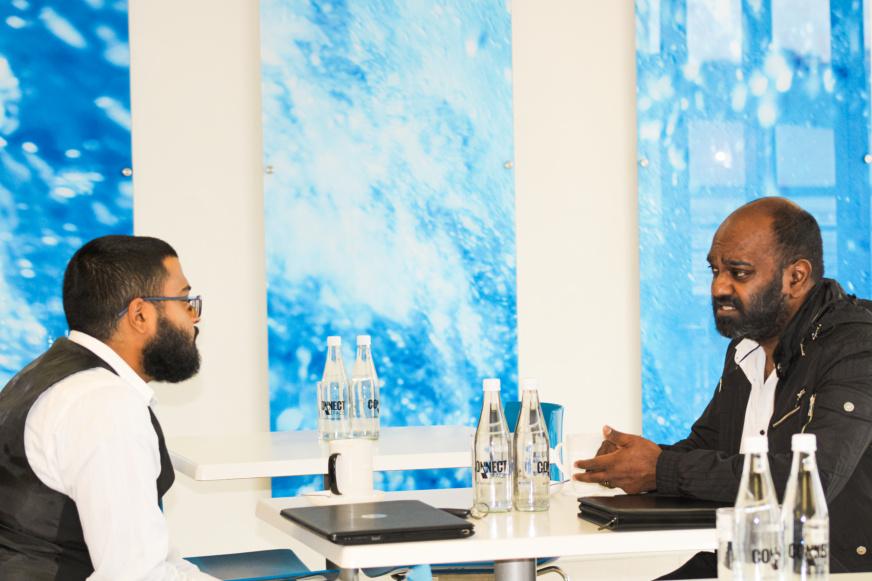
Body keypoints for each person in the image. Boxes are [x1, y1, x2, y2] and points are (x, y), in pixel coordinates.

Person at [574, 197, 872, 575]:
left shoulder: (856, 348)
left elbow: (809, 479)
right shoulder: (746, 347)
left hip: (829, 568)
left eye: (739, 273)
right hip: (746, 558)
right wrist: (634, 462)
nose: (719, 287)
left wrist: (661, 468)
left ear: (795, 277)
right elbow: (709, 446)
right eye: (715, 270)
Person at [0, 235, 218, 580]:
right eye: (185, 301)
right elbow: (136, 576)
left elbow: (151, 559)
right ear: (140, 314)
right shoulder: (106, 405)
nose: (194, 318)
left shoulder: (40, 378)